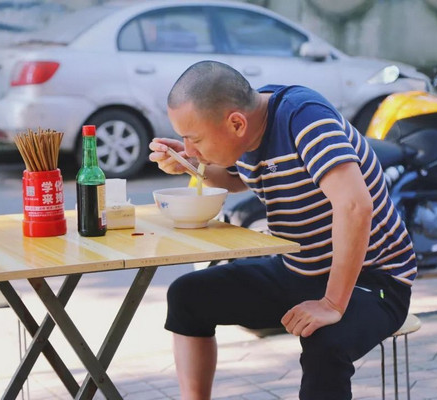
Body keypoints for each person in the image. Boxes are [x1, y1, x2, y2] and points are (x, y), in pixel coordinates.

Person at [149, 60, 416, 400]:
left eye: (194, 139)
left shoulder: (304, 117)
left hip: (373, 279)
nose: (188, 148)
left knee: (325, 344)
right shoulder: (246, 132)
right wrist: (189, 165)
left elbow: (354, 206)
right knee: (188, 297)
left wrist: (332, 303)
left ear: (235, 123)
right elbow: (234, 180)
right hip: (298, 270)